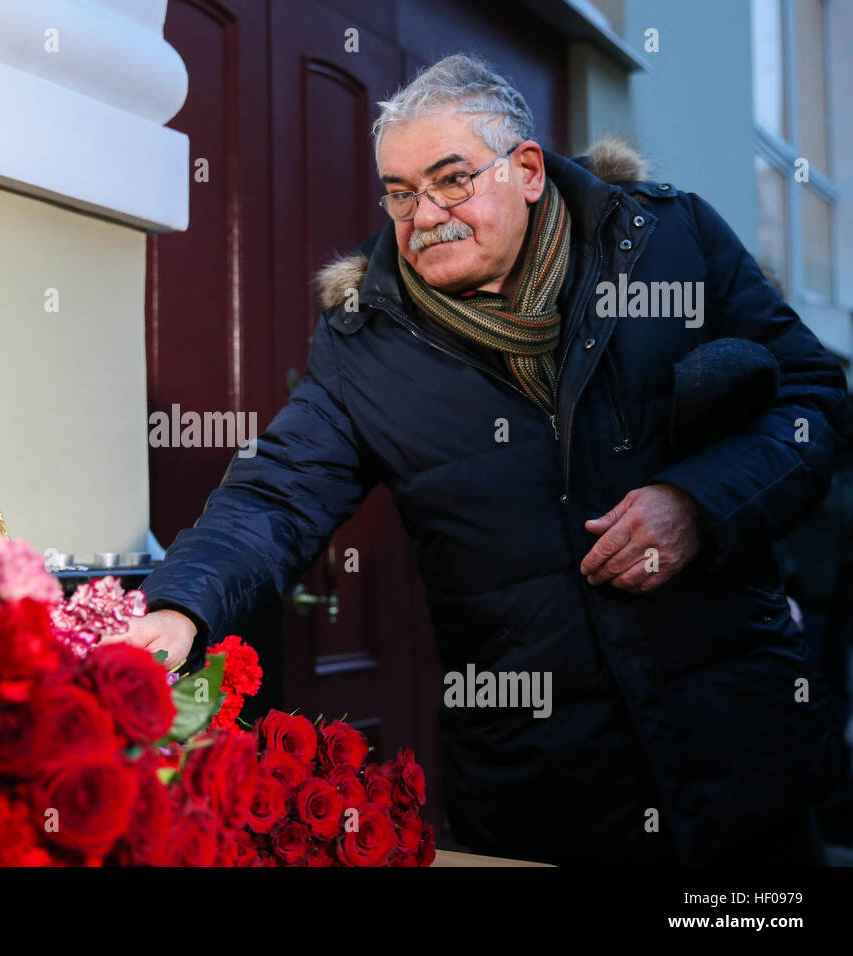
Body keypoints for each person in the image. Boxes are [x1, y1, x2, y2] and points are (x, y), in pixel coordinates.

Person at [106, 54, 852, 865]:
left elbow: (812, 400)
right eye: (399, 192)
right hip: (549, 787)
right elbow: (275, 495)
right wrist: (181, 608)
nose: (425, 214)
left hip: (738, 747)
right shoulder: (367, 342)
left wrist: (700, 503)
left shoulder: (670, 242)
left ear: (527, 170)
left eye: (452, 179)